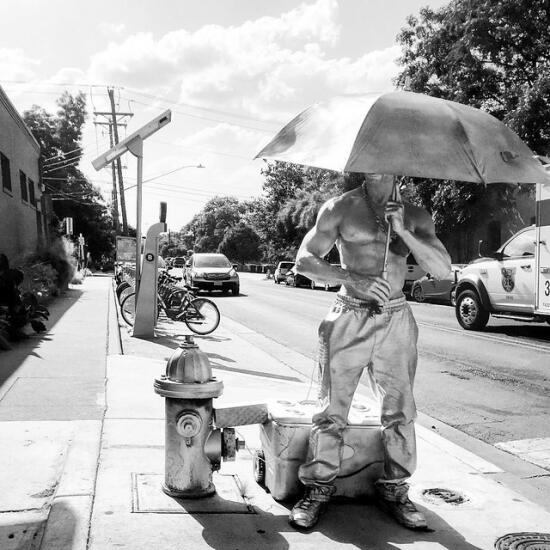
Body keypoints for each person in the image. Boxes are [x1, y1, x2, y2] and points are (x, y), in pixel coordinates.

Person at [289, 173, 451, 530]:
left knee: (400, 409)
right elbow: (304, 260)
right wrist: (354, 278)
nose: (374, 163)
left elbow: (442, 269)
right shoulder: (341, 207)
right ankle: (318, 488)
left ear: (400, 163)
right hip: (349, 313)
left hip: (395, 317)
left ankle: (394, 489)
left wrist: (403, 231)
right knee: (331, 409)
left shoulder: (417, 215)